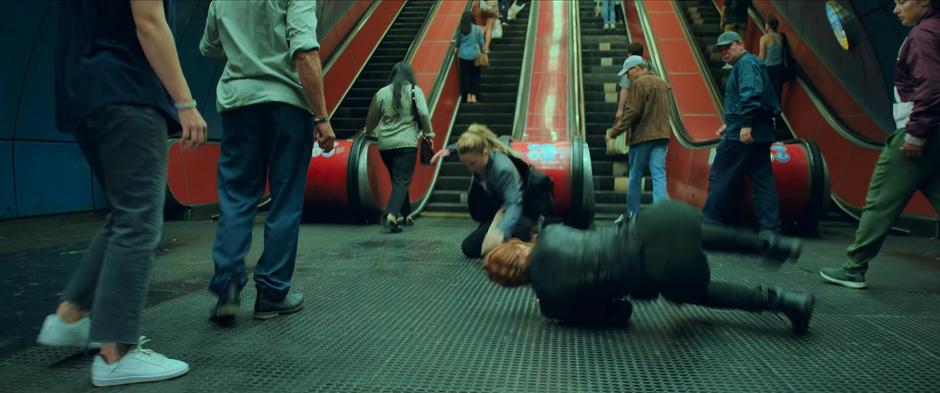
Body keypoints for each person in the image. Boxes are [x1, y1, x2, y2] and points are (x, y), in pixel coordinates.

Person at [38, 0, 206, 386]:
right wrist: (186, 102)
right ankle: (117, 352)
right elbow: (148, 21)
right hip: (127, 89)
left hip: (83, 92)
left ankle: (70, 315)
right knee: (140, 221)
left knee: (123, 213)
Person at [482, 200, 814, 334]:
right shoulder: (551, 234)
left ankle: (785, 301)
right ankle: (773, 245)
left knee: (701, 293)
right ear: (517, 249)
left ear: (514, 283)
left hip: (661, 269)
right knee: (696, 234)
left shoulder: (552, 303)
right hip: (656, 221)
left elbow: (620, 313)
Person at [200, 0, 336, 325]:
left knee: (237, 198)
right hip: (287, 105)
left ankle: (228, 287)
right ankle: (272, 294)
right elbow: (304, 53)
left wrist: (246, 53)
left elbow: (211, 45)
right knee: (285, 199)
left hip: (239, 103)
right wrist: (322, 117)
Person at [820, 0, 940, 289]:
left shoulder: (924, 35)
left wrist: (915, 134)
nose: (896, 9)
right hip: (935, 132)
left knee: (879, 200)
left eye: (902, 1)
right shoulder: (934, 29)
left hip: (918, 133)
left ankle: (853, 268)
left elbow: (932, 86)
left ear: (923, 1)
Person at [702, 31, 782, 239]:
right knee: (762, 182)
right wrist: (728, 123)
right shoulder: (748, 64)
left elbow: (751, 93)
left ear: (740, 44)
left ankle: (709, 223)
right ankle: (769, 230)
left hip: (744, 133)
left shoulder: (746, 64)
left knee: (721, 174)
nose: (723, 52)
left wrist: (744, 125)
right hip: (757, 130)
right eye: (720, 50)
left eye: (727, 47)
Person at [430, 124, 553, 258]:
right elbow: (470, 147)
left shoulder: (503, 169)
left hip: (522, 214)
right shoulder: (478, 156)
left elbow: (514, 203)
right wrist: (450, 150)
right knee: (469, 247)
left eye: (473, 163)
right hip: (500, 211)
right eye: (466, 165)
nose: (470, 168)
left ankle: (531, 234)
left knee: (489, 249)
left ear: (486, 152)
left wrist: (502, 231)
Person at [364, 62, 435, 232]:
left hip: (385, 145)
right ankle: (391, 215)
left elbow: (372, 116)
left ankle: (406, 214)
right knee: (402, 180)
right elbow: (424, 114)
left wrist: (368, 131)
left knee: (398, 179)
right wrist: (429, 134)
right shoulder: (414, 91)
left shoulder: (382, 92)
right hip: (406, 143)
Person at [608, 56, 671, 219]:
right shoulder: (662, 83)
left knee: (635, 176)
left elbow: (632, 113)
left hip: (643, 136)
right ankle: (661, 215)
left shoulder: (639, 84)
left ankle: (632, 214)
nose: (628, 76)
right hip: (662, 135)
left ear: (636, 68)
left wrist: (614, 132)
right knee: (659, 175)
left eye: (628, 72)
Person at [456, 11, 485, 104]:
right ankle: (474, 97)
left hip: (463, 56)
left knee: (466, 77)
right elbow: (481, 42)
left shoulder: (461, 29)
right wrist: (484, 50)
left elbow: (457, 42)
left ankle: (468, 97)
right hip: (475, 56)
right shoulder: (477, 29)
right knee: (475, 76)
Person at [758, 17, 787, 102]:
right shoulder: (780, 36)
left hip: (768, 68)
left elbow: (762, 56)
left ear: (768, 26)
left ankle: (766, 112)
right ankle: (776, 113)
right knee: (777, 93)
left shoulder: (764, 38)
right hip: (779, 67)